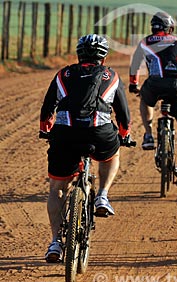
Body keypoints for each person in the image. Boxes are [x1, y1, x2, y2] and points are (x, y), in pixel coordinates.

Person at [39, 34, 133, 262]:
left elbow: (47, 108)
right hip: (100, 134)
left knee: (57, 188)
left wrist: (45, 130)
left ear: (79, 53)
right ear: (104, 56)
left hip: (65, 135)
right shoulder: (112, 75)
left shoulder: (64, 74)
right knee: (113, 155)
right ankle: (102, 196)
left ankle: (54, 243)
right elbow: (123, 115)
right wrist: (124, 135)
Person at [129, 11, 177, 186]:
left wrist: (134, 84)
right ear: (170, 28)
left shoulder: (145, 42)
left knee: (145, 99)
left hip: (154, 84)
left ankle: (148, 135)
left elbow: (135, 65)